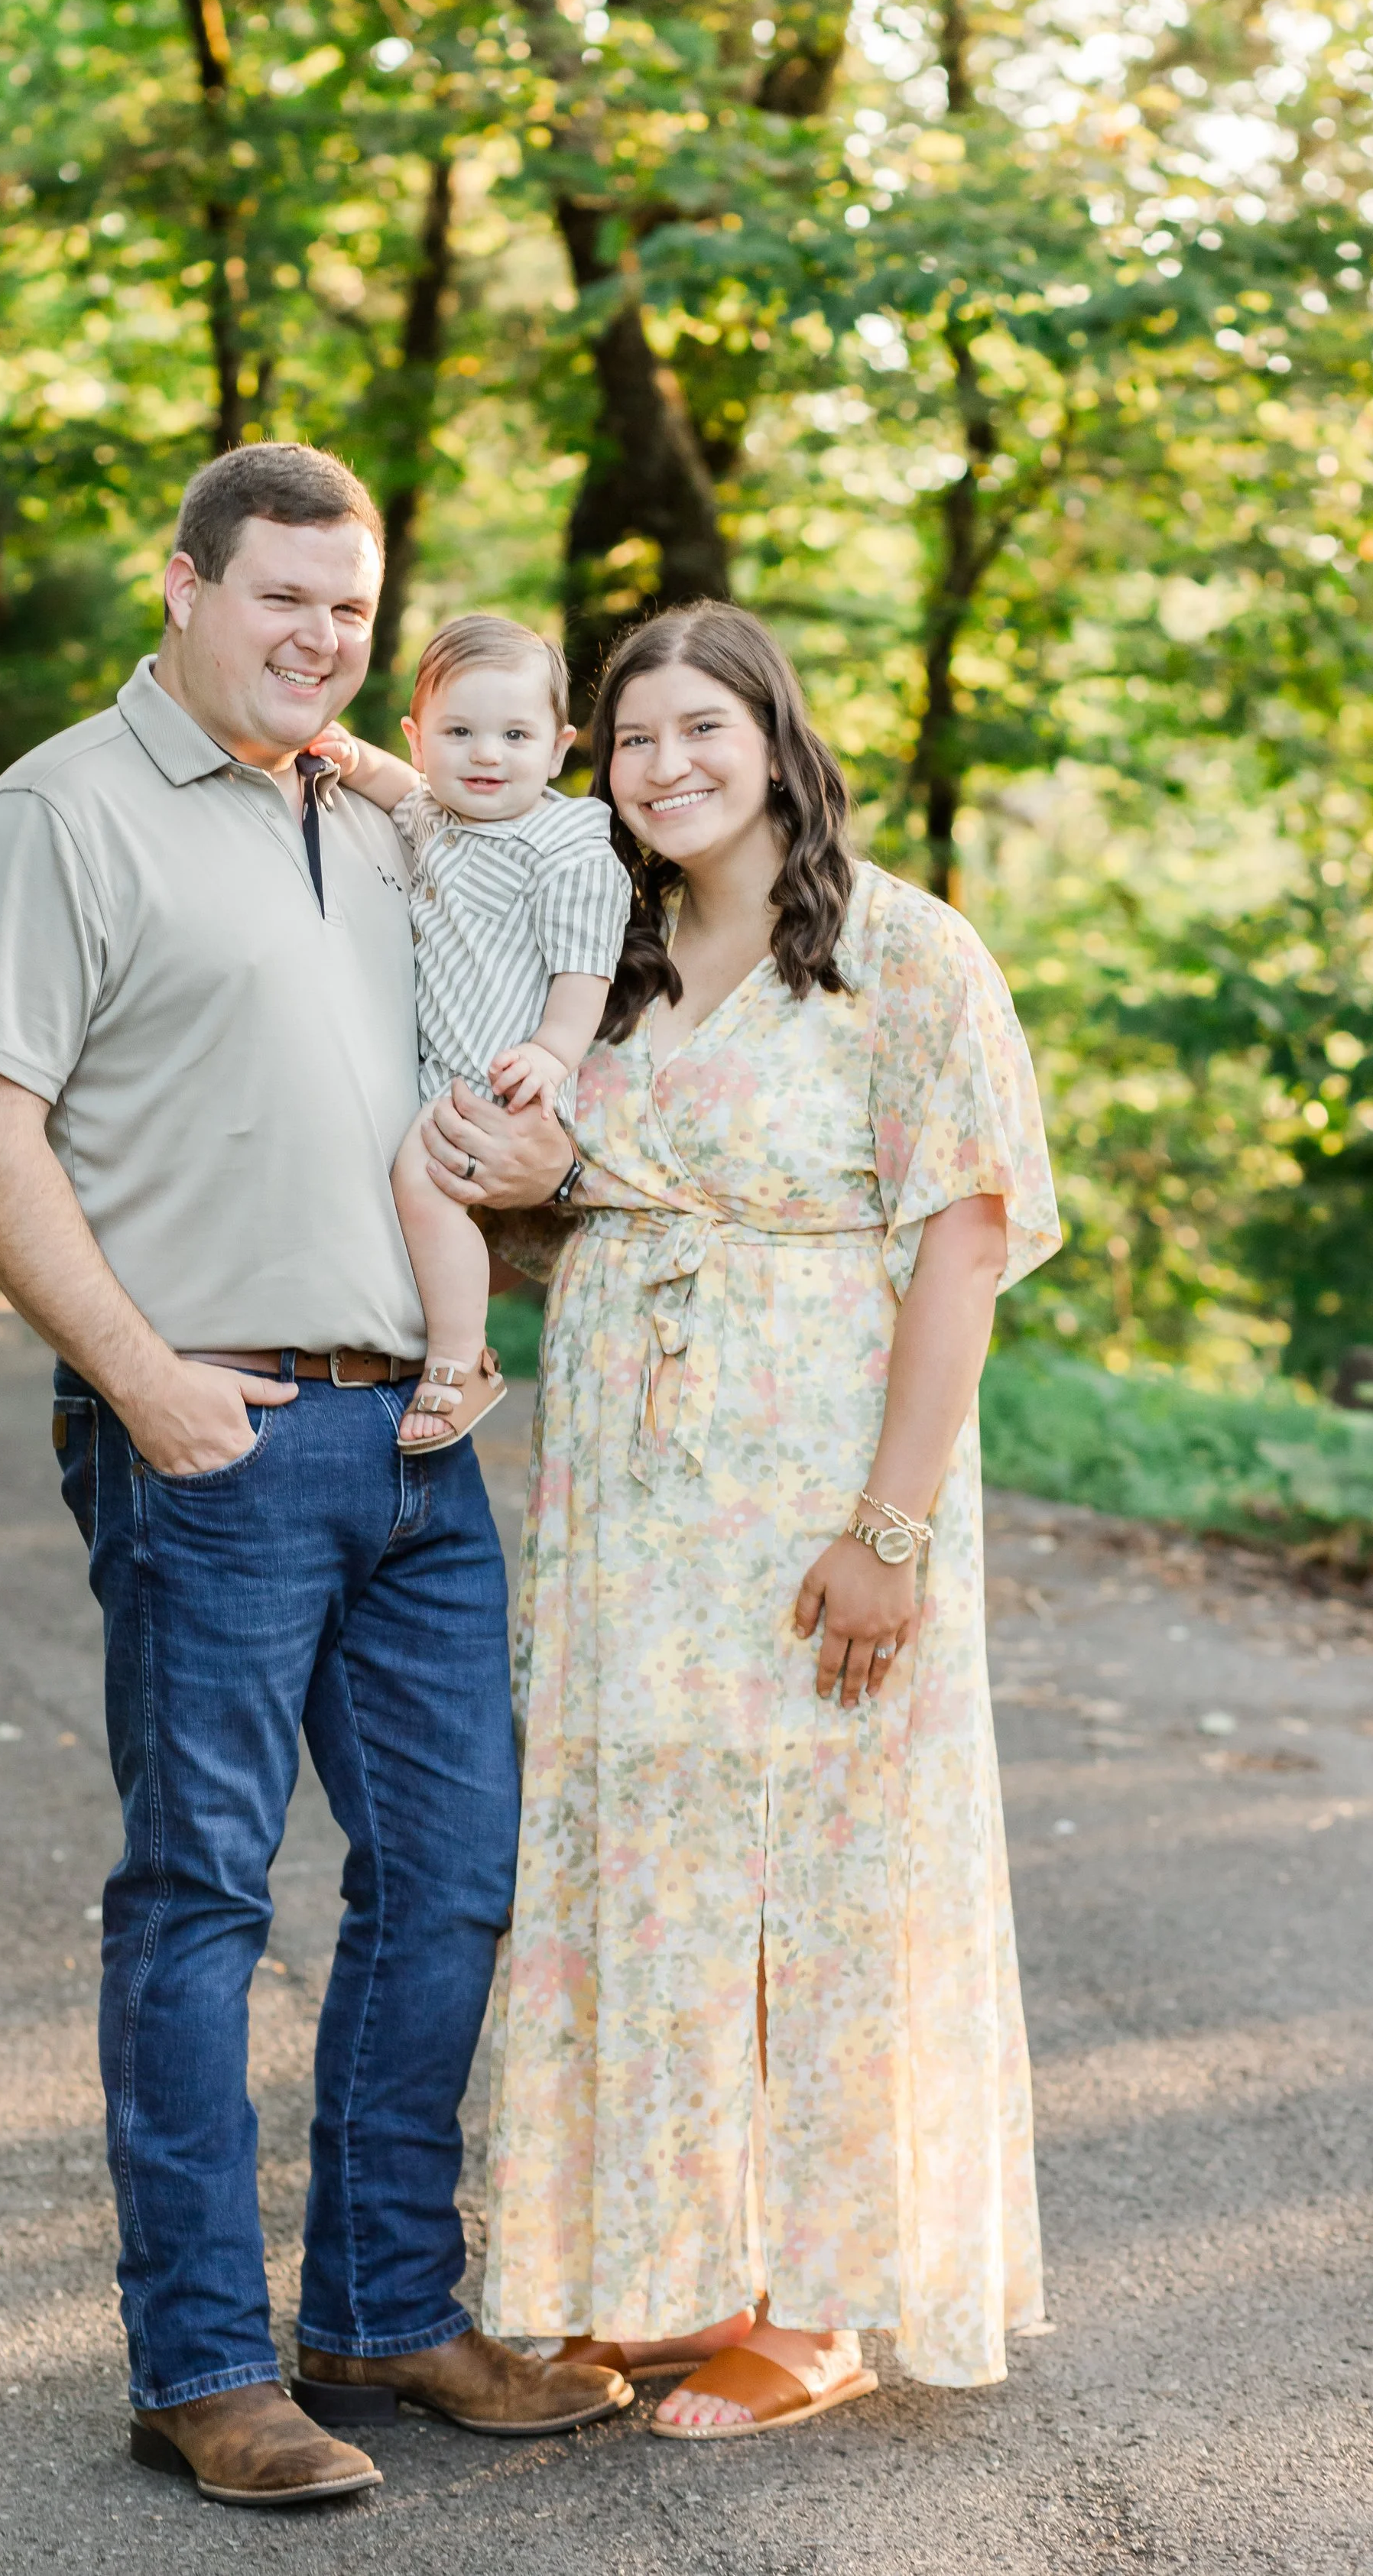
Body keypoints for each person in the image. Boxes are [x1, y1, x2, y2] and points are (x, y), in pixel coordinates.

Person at [0, 443, 628, 2510]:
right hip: (210, 1429)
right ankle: (205, 2360)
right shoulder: (59, 811)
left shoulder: (385, 814)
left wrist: (529, 1164)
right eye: (282, 596)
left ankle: (385, 2305)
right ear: (185, 580)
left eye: (351, 608)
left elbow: (500, 1028)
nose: (319, 636)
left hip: (412, 1433)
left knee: (452, 1872)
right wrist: (142, 1383)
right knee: (205, 1891)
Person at [435, 599, 1062, 2438]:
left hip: (815, 1496)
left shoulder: (902, 952)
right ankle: (688, 2263)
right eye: (632, 738)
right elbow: (562, 1204)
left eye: (701, 726)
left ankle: (819, 2299)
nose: (666, 764)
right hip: (629, 1517)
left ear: (776, 739)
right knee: (658, 1864)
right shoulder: (607, 963)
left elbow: (963, 1241)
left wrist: (891, 1528)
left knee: (822, 1867)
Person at [315, 614, 630, 1453]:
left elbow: (583, 969)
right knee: (412, 1195)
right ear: (420, 741)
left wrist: (552, 1053)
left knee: (421, 1183)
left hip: (506, 1074)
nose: (487, 755)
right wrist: (350, 757)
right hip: (447, 1067)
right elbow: (395, 789)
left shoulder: (565, 847)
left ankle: (460, 1359)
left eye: (515, 736)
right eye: (459, 733)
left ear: (558, 749)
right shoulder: (437, 815)